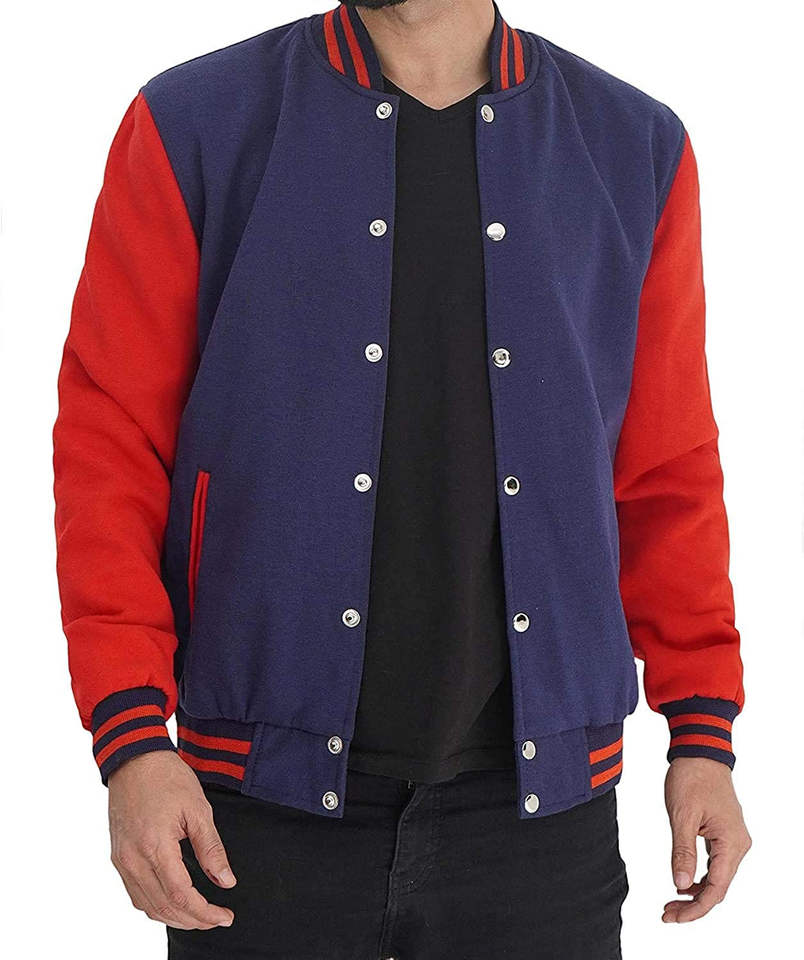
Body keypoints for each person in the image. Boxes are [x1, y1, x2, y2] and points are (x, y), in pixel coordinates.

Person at [52, 1, 751, 957]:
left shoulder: (633, 146)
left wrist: (703, 733)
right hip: (253, 804)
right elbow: (110, 450)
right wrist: (131, 737)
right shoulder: (195, 124)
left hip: (538, 824)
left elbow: (668, 472)